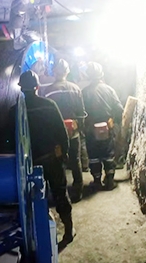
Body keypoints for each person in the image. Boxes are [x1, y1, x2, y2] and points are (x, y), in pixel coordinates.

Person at [9, 70, 75, 246]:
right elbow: (62, 133)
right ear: (37, 87)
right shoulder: (49, 105)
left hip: (28, 164)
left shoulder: (15, 111)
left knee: (34, 199)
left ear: (21, 89)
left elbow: (9, 139)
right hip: (51, 159)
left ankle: (39, 234)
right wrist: (64, 153)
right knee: (60, 193)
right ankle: (68, 231)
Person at [40, 59, 87, 202]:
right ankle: (78, 191)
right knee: (75, 160)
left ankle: (61, 193)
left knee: (58, 162)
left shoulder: (47, 91)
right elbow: (81, 112)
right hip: (73, 131)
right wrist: (79, 128)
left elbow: (45, 115)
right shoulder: (75, 88)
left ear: (54, 72)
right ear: (67, 72)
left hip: (56, 135)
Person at [82, 62, 124, 191]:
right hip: (107, 128)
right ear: (101, 74)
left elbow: (80, 111)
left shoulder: (84, 92)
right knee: (108, 153)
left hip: (90, 129)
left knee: (93, 155)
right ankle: (110, 180)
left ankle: (97, 181)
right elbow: (119, 109)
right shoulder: (109, 90)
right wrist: (113, 121)